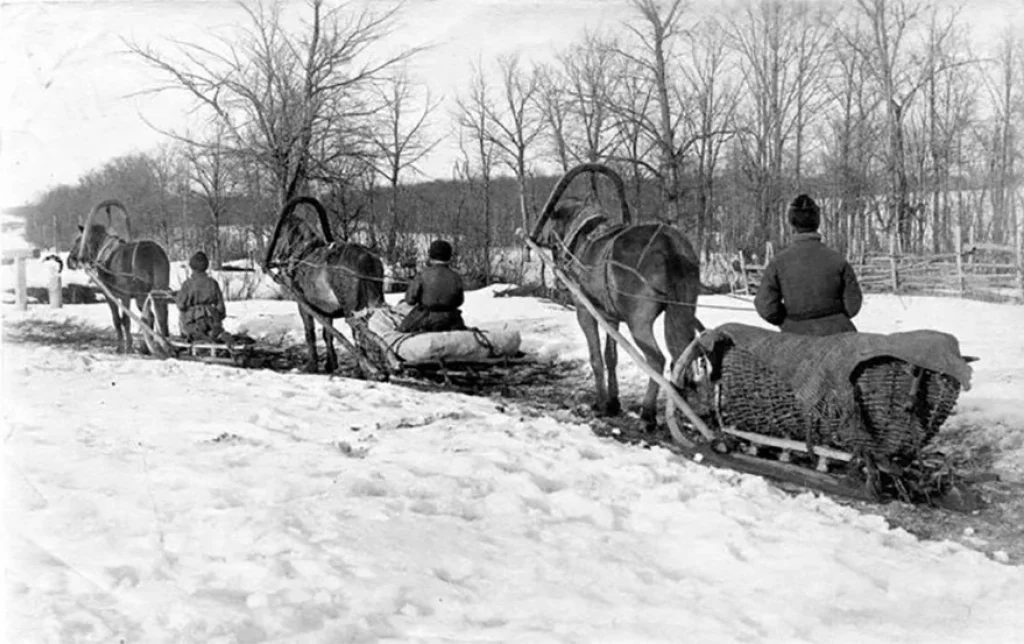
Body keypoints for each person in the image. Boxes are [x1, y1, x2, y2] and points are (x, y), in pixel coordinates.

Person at [754, 194, 863, 336]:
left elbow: (766, 306)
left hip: (796, 337)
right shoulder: (838, 260)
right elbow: (853, 304)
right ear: (817, 222)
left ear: (792, 223)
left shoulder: (778, 263)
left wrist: (788, 321)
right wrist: (836, 319)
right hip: (840, 335)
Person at [398, 239, 467, 333]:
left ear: (430, 256)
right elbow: (459, 301)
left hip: (426, 319)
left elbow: (410, 300)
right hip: (451, 319)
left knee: (400, 331)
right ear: (449, 257)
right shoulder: (456, 277)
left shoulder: (422, 275)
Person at [176, 251, 230, 342]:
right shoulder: (213, 283)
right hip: (212, 321)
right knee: (215, 330)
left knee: (186, 323)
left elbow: (181, 305)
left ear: (192, 267)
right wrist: (217, 317)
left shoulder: (188, 284)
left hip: (193, 321)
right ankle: (215, 334)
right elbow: (221, 308)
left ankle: (196, 335)